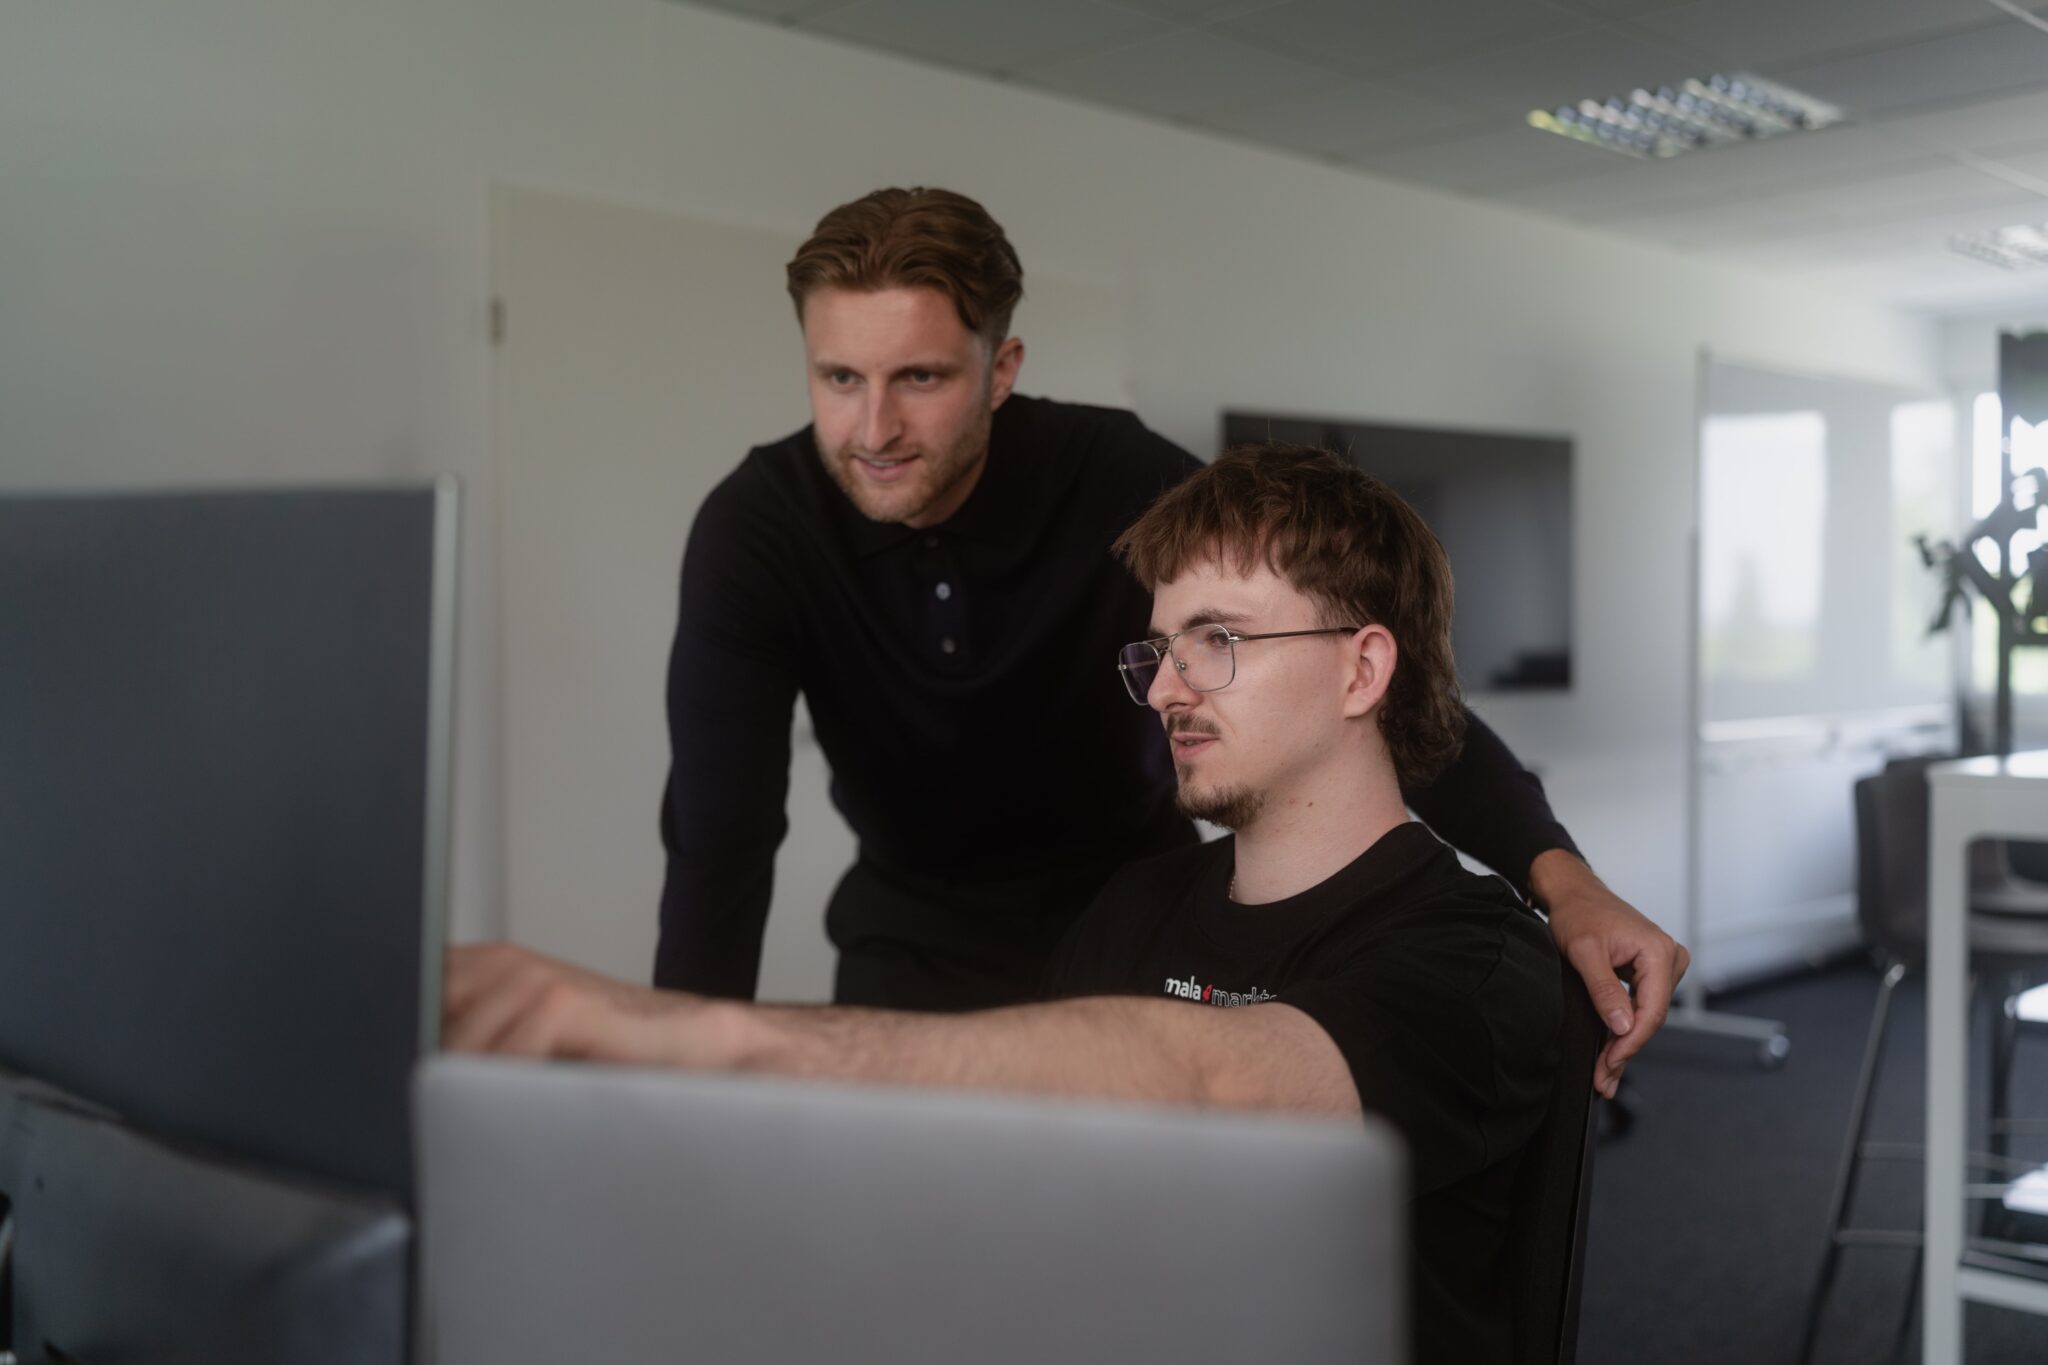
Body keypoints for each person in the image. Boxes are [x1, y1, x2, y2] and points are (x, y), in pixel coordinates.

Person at [448, 443, 1562, 1363]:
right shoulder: (1133, 909)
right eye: (1160, 648)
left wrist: (697, 1036)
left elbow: (1214, 1081)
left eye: (1216, 641)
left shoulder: (1479, 963)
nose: (1166, 687)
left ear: (1363, 672)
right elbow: (1024, 1169)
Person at [657, 185, 1680, 1097]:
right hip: (910, 942)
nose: (872, 428)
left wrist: (1564, 882)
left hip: (1130, 922)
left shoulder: (1112, 474)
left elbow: (1362, 675)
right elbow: (718, 837)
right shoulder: (758, 529)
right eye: (838, 379)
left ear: (1000, 368)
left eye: (918, 380)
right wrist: (680, 1081)